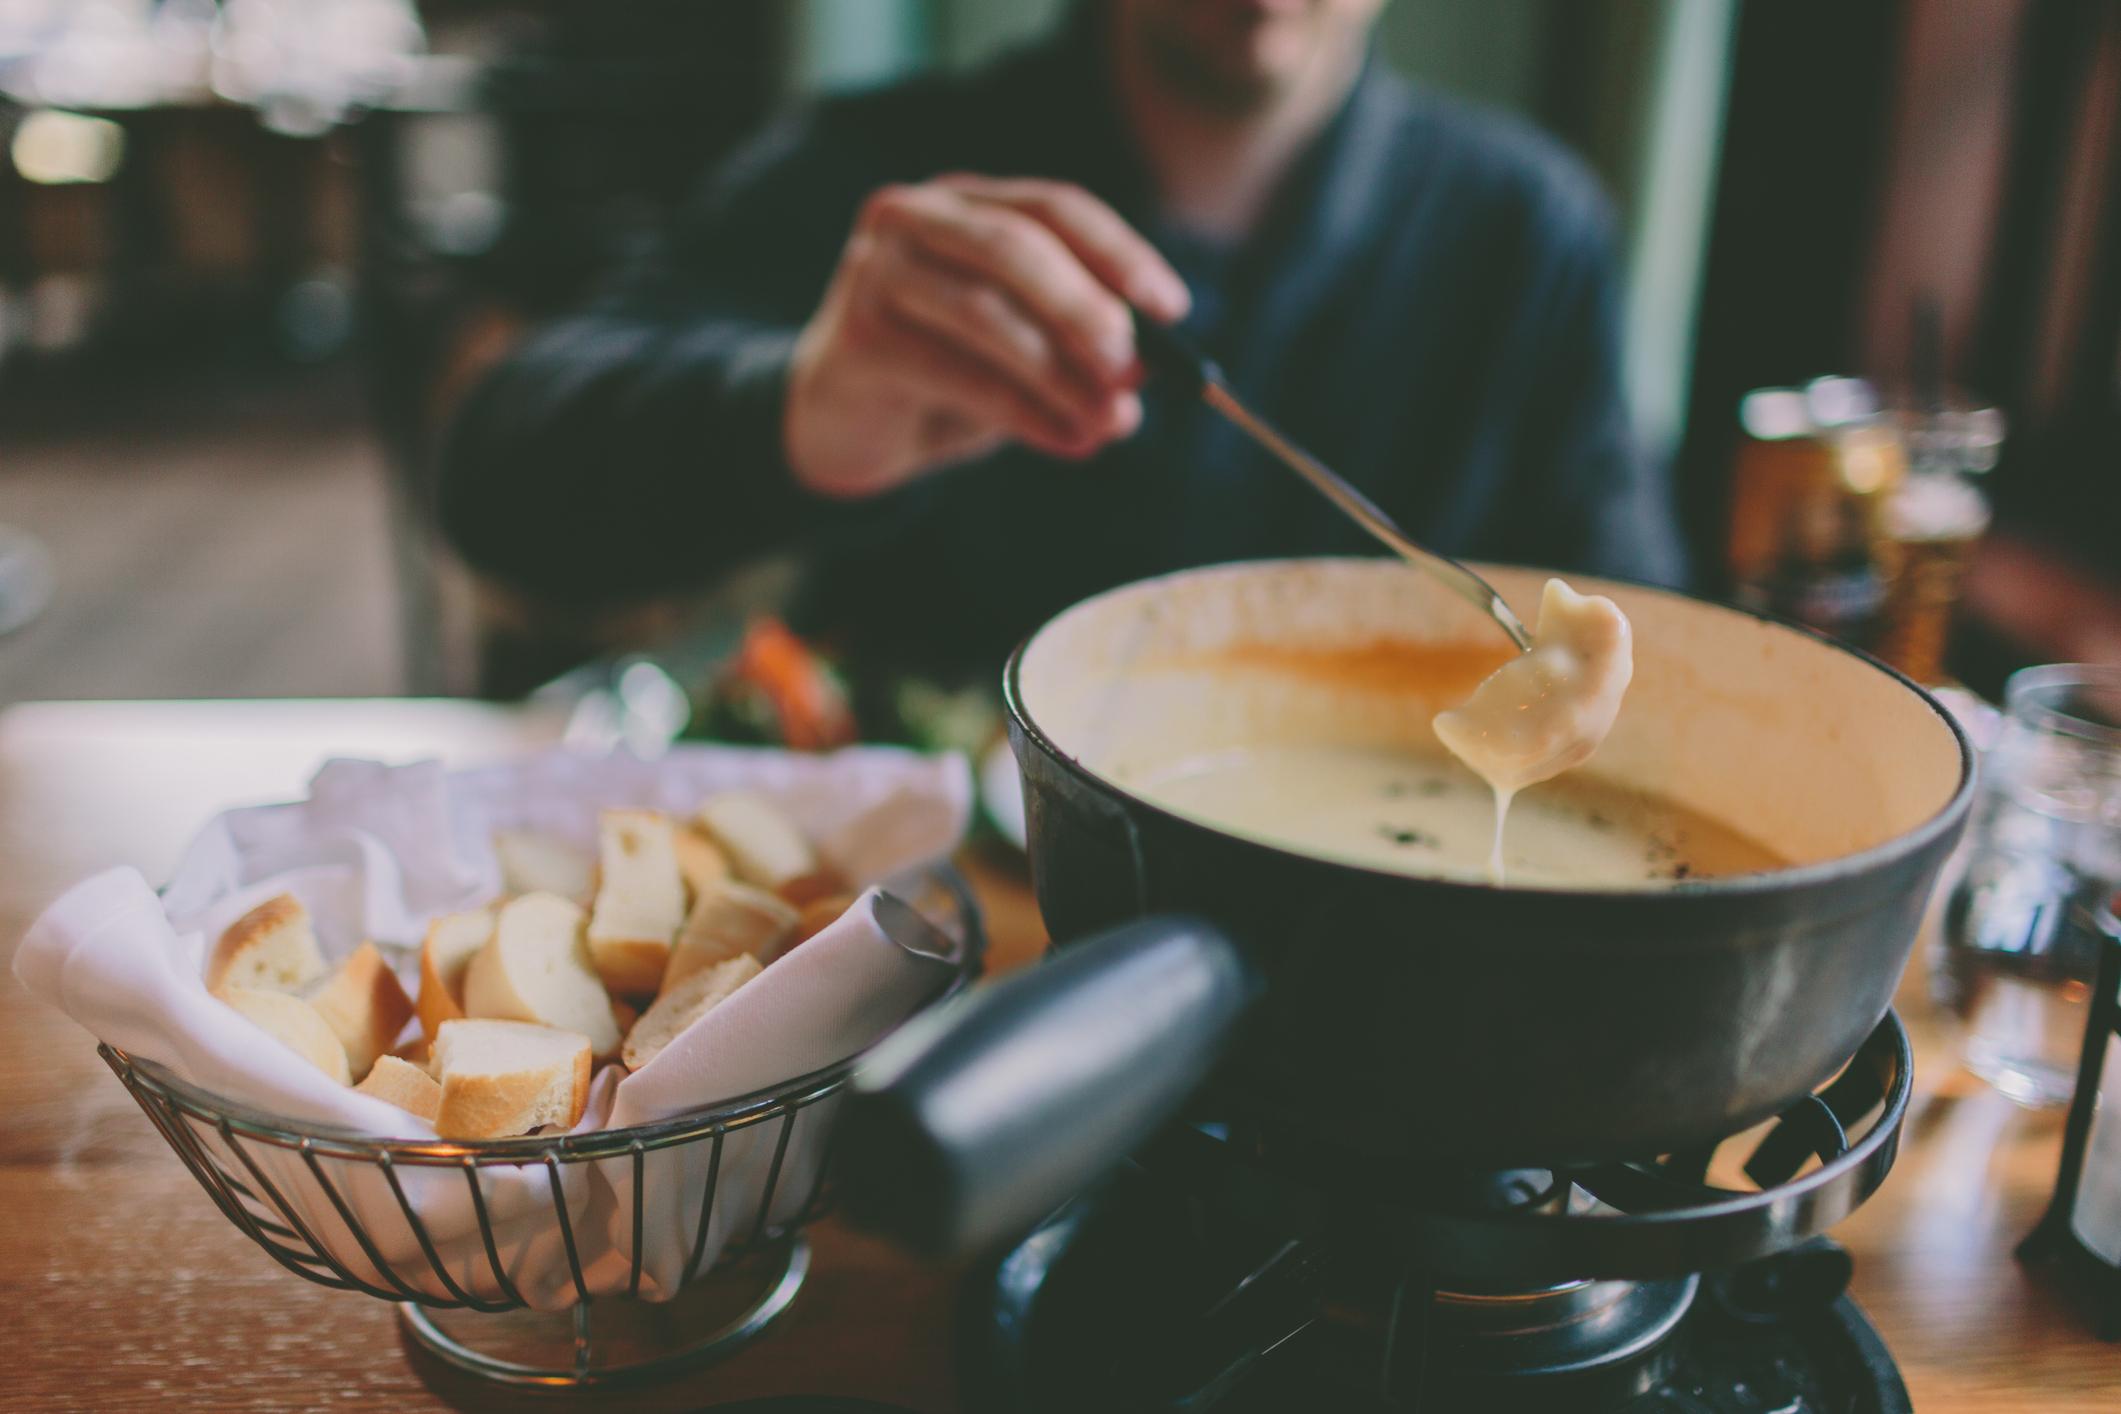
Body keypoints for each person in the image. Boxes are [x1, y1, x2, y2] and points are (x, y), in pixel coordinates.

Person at [440, 0, 1686, 679]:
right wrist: (797, 412)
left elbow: (1641, 638)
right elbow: (497, 476)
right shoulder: (889, 175)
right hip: (931, 963)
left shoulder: (1528, 232)